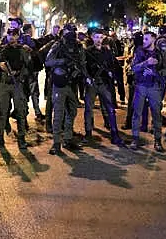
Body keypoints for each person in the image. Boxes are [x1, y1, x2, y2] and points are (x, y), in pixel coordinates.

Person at [45, 23, 87, 154]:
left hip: (72, 84)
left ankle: (67, 138)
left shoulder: (78, 47)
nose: (71, 34)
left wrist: (83, 75)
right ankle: (56, 143)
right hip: (59, 84)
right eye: (69, 31)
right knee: (58, 114)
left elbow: (82, 63)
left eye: (73, 31)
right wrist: (62, 62)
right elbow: (48, 61)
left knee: (72, 111)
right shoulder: (58, 46)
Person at [0, 28, 31, 150]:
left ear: (18, 36)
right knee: (2, 112)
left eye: (14, 35)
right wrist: (0, 66)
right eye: (9, 34)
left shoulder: (22, 50)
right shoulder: (2, 50)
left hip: (17, 84)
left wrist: (19, 74)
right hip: (4, 84)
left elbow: (28, 67)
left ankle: (22, 138)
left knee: (20, 112)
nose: (12, 37)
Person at [83, 28, 124, 146]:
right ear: (92, 38)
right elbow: (83, 67)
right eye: (96, 37)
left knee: (110, 109)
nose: (99, 40)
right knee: (89, 109)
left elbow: (113, 65)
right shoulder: (87, 52)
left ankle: (114, 133)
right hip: (92, 83)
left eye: (101, 37)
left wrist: (111, 74)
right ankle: (88, 133)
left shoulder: (107, 51)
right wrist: (87, 78)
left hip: (105, 84)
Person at [130, 31, 166, 152]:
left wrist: (155, 73)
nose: (143, 41)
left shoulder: (160, 53)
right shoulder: (139, 51)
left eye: (146, 39)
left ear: (153, 39)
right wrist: (146, 63)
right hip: (140, 86)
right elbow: (133, 68)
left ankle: (157, 140)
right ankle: (135, 138)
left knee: (156, 114)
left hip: (154, 87)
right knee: (137, 113)